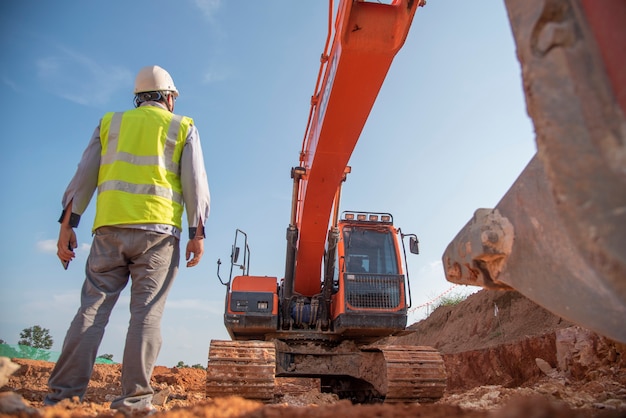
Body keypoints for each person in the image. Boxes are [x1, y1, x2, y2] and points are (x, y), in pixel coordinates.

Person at [44, 65, 210, 413]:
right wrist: (198, 232)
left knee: (91, 310)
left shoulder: (110, 123)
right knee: (146, 315)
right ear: (168, 96)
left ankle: (62, 397)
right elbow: (196, 184)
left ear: (138, 97)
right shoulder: (182, 126)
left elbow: (83, 175)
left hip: (109, 228)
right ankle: (133, 402)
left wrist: (67, 224)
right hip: (159, 234)